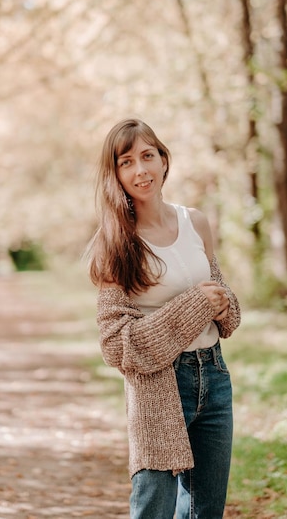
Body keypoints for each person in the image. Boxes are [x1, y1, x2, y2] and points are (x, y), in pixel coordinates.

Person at [87, 118, 241, 519]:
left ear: (163, 160)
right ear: (116, 175)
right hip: (158, 387)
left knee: (205, 510)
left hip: (215, 375)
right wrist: (193, 308)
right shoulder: (116, 244)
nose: (141, 170)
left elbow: (222, 299)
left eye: (148, 156)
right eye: (127, 162)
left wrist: (224, 307)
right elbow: (116, 344)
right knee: (153, 507)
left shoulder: (197, 222)